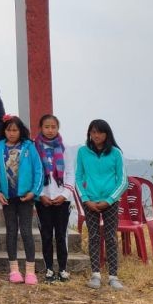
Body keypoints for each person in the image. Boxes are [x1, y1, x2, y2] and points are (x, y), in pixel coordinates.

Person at [76, 119, 127, 291]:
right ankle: (95, 275)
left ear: (107, 134)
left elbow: (123, 181)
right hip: (89, 201)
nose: (96, 135)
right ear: (89, 133)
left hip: (110, 202)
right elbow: (78, 178)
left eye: (100, 132)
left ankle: (113, 276)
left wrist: (110, 200)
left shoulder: (115, 153)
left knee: (111, 237)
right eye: (93, 132)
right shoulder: (82, 152)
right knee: (93, 237)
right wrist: (85, 199)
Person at [0, 115, 43, 285]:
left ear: (21, 130)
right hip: (8, 197)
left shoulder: (29, 147)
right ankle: (14, 269)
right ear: (4, 131)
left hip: (26, 197)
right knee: (11, 232)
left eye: (15, 130)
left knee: (26, 232)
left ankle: (30, 270)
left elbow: (38, 170)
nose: (12, 133)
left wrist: (34, 192)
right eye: (9, 130)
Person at [34, 114, 74, 284]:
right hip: (43, 200)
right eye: (46, 127)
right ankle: (49, 268)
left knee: (61, 235)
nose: (50, 130)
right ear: (41, 128)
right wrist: (40, 195)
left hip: (61, 200)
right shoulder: (34, 148)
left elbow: (71, 173)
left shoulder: (64, 148)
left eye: (53, 127)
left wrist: (64, 194)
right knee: (46, 235)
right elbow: (34, 173)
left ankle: (63, 269)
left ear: (58, 128)